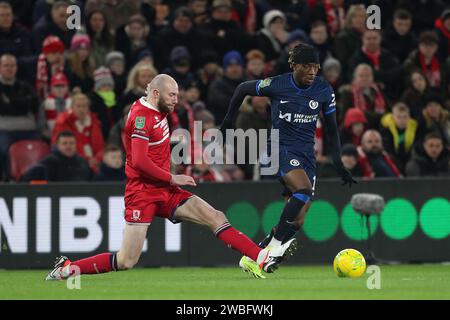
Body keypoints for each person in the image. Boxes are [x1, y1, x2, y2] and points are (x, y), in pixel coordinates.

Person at [45, 74, 296, 281]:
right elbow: (141, 161)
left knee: (215, 216)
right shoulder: (143, 118)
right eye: (172, 95)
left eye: (177, 94)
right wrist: (173, 177)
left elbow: (154, 149)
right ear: (156, 94)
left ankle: (261, 257)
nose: (176, 100)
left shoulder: (155, 109)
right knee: (126, 260)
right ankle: (68, 268)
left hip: (164, 189)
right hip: (142, 192)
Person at [220, 43, 356, 278]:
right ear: (294, 66)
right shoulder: (277, 84)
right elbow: (242, 88)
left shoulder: (324, 90)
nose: (312, 72)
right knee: (302, 190)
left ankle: (254, 255)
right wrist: (228, 122)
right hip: (279, 149)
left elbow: (333, 131)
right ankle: (271, 252)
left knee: (299, 218)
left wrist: (338, 162)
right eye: (306, 67)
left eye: (315, 67)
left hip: (306, 155)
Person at [22, 131, 91, 182]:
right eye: (64, 143)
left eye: (71, 143)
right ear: (58, 145)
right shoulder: (48, 162)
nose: (68, 146)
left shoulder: (82, 162)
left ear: (76, 145)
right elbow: (27, 179)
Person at [380, 102, 418, 174]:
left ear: (409, 117)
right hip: (393, 159)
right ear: (393, 117)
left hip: (409, 160)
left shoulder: (415, 129)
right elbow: (387, 150)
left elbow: (415, 148)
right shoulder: (386, 130)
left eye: (405, 117)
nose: (402, 120)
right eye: (399, 117)